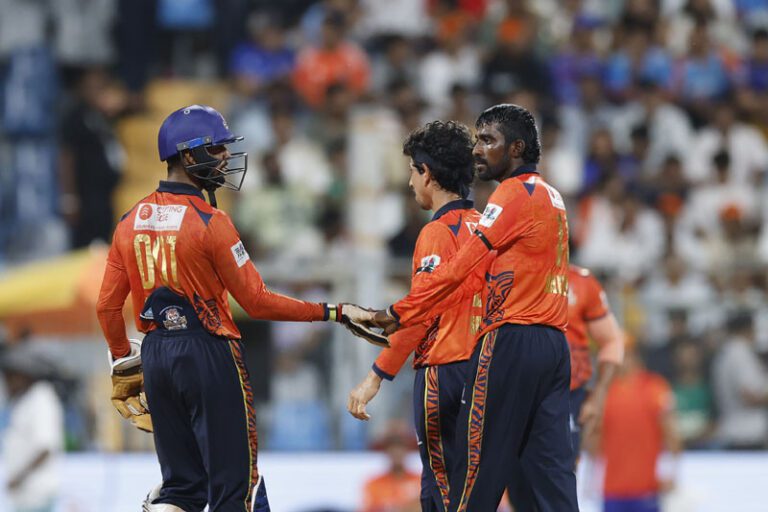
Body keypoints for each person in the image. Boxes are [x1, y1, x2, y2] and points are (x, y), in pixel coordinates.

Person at [95, 104, 372, 512]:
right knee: (238, 489)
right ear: (188, 155)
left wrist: (123, 362)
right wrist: (335, 311)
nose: (226, 157)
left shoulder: (129, 220)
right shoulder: (212, 222)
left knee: (181, 490)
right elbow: (257, 301)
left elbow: (106, 307)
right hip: (209, 353)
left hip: (156, 355)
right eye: (217, 148)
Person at [371, 104, 578, 511]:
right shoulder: (552, 195)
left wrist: (398, 312)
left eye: (488, 140)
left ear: (516, 148)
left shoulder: (511, 194)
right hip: (554, 345)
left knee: (473, 471)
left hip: (510, 341)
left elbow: (458, 268)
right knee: (550, 477)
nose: (478, 150)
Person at [347, 120, 484, 511]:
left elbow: (420, 313)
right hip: (487, 373)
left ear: (427, 173)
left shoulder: (437, 233)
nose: (409, 182)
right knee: (477, 492)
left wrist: (375, 376)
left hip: (445, 373)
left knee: (440, 493)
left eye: (412, 170)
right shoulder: (488, 229)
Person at [507, 263, 624, 511]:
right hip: (516, 393)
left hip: (568, 396)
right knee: (517, 481)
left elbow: (611, 340)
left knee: (557, 477)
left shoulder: (582, 283)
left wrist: (599, 395)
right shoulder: (505, 273)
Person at [596, 338, 681, 512]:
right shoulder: (605, 393)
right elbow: (596, 440)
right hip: (613, 489)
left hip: (645, 488)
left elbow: (671, 433)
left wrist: (672, 472)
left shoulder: (654, 388)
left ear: (634, 356)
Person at [0, 347, 64, 512]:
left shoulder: (41, 400)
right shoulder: (23, 400)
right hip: (25, 497)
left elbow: (45, 448)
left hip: (37, 493)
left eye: (10, 378)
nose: (7, 384)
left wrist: (19, 478)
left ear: (23, 376)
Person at [360, 421, 422, 512]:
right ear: (386, 451)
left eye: (401, 448)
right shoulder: (374, 484)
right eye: (392, 448)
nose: (397, 452)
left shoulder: (420, 481)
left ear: (407, 450)